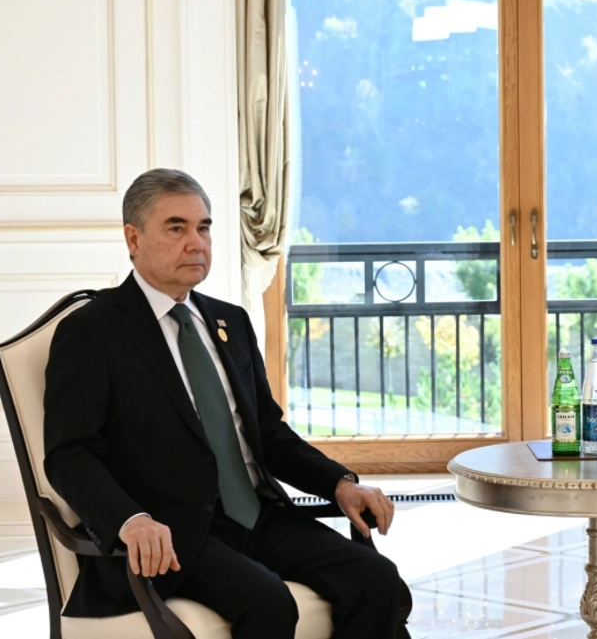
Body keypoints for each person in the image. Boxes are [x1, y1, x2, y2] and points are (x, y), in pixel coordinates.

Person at [44, 168, 412, 638]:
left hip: (258, 515)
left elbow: (269, 434)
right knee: (269, 602)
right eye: (176, 228)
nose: (196, 243)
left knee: (377, 579)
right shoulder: (91, 331)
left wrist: (338, 484)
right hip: (171, 533)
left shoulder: (229, 321)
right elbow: (70, 453)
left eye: (204, 227)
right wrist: (130, 521)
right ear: (133, 239)